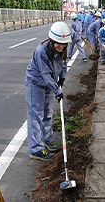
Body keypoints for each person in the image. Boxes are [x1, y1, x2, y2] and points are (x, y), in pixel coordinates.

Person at [25, 21, 71, 161]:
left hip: (48, 84)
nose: (61, 46)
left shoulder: (63, 49)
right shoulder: (41, 51)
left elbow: (63, 64)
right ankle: (35, 149)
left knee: (48, 113)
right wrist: (57, 91)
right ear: (51, 39)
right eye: (58, 43)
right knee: (36, 115)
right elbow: (45, 75)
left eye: (64, 43)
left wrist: (62, 79)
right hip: (35, 84)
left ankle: (47, 141)